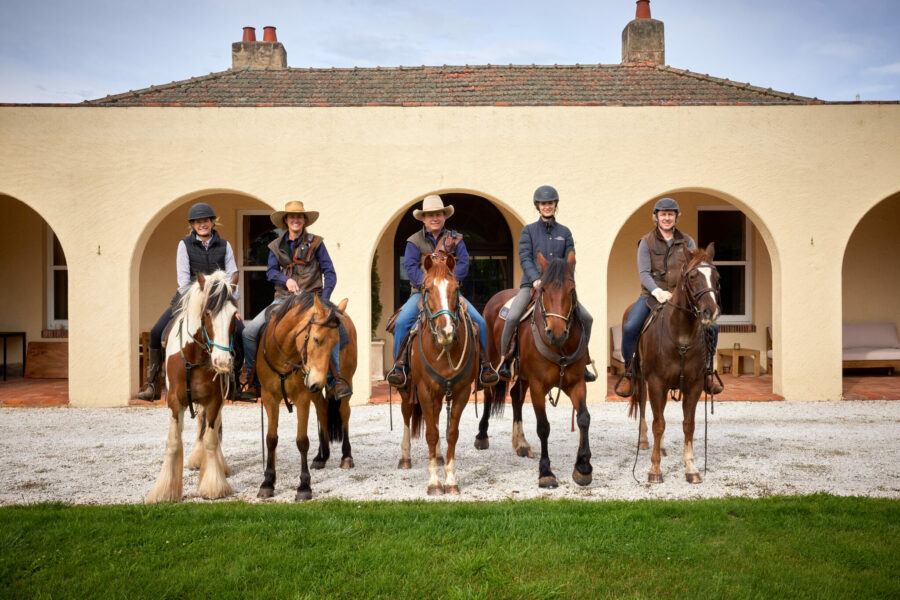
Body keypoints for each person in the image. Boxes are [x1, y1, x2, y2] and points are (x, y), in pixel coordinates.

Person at [237, 200, 350, 401]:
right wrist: (286, 280)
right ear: (286, 221)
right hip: (283, 300)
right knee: (249, 332)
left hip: (312, 299)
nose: (295, 220)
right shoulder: (275, 246)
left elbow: (330, 273)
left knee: (334, 330)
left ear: (304, 220)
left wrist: (323, 301)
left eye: (299, 217)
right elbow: (271, 272)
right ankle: (254, 382)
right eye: (292, 217)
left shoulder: (317, 243)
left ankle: (335, 380)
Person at [386, 195, 499, 389]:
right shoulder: (414, 241)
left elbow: (463, 263)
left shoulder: (456, 239)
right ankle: (399, 367)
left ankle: (485, 367)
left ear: (444, 217)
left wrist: (449, 283)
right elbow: (410, 267)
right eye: (430, 215)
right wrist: (428, 284)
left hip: (449, 292)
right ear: (423, 218)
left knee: (479, 322)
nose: (434, 218)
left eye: (438, 214)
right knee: (403, 322)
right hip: (421, 293)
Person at [615, 197, 723, 397]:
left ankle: (707, 372)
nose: (666, 218)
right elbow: (644, 274)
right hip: (652, 296)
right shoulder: (645, 242)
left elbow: (695, 269)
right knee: (630, 327)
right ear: (655, 217)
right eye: (663, 214)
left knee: (712, 327)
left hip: (683, 297)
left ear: (676, 217)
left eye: (670, 215)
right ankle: (629, 373)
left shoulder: (688, 241)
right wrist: (657, 291)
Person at [137, 202, 244, 400]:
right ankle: (153, 385)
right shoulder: (184, 245)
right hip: (188, 298)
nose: (202, 224)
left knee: (240, 333)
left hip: (218, 301)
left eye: (206, 221)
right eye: (198, 222)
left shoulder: (225, 245)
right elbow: (184, 281)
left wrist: (231, 304)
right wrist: (197, 301)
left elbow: (232, 277)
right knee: (156, 332)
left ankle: (234, 382)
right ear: (193, 225)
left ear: (212, 222)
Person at [497, 185, 596, 382]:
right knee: (513, 316)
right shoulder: (528, 231)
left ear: (555, 204)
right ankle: (506, 360)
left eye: (550, 203)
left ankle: (583, 360)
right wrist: (536, 278)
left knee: (587, 318)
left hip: (557, 289)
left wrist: (562, 282)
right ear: (538, 206)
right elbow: (525, 257)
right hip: (532, 285)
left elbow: (570, 259)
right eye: (543, 204)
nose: (547, 206)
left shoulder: (565, 232)